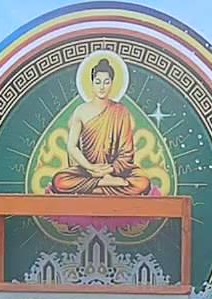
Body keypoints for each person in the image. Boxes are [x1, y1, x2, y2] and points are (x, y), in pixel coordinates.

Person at [49, 58, 152, 196]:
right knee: (60, 181)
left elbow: (127, 152)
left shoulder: (121, 111)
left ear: (112, 84)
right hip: (87, 171)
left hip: (114, 171)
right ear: (92, 83)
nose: (102, 87)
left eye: (106, 82)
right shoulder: (81, 110)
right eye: (98, 82)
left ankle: (96, 186)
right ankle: (104, 184)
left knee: (143, 182)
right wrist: (91, 167)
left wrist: (109, 170)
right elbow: (72, 147)